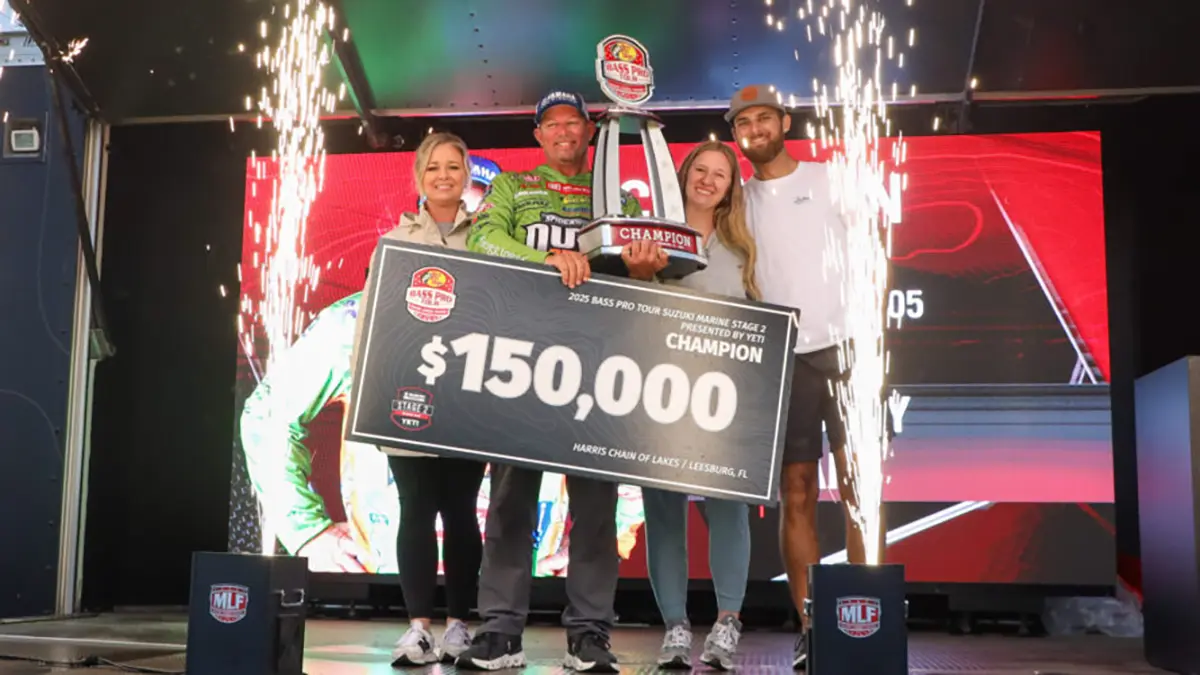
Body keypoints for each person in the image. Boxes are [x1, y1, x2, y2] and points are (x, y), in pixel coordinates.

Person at [455, 90, 667, 673]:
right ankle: (500, 633)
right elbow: (480, 238)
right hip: (521, 360)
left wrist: (643, 267)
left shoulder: (618, 196)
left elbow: (640, 266)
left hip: (598, 365)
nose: (564, 131)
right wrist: (545, 259)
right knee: (509, 501)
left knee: (597, 508)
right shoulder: (513, 186)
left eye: (574, 121)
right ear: (539, 136)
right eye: (552, 124)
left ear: (589, 132)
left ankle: (590, 635)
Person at [725, 85, 889, 669]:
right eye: (743, 122)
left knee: (860, 494)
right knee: (796, 494)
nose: (755, 128)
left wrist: (871, 336)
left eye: (763, 117)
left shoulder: (828, 178)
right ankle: (813, 628)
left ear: (784, 121)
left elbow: (874, 252)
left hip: (847, 353)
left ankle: (868, 626)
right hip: (783, 360)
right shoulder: (735, 201)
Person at [348, 131, 488, 666]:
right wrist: (369, 389)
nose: (445, 175)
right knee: (416, 508)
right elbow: (372, 322)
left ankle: (458, 627)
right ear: (418, 178)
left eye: (455, 166)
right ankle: (418, 628)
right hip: (407, 399)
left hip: (468, 400)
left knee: (460, 512)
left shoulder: (486, 240)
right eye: (434, 167)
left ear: (468, 175)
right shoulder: (395, 241)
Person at [642, 141, 758, 671]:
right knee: (663, 510)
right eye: (701, 170)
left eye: (721, 174)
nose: (709, 181)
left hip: (724, 398)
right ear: (683, 174)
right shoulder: (651, 234)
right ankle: (675, 629)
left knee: (729, 509)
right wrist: (642, 272)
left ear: (731, 187)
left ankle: (727, 625)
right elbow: (627, 302)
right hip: (660, 392)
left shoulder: (744, 246)